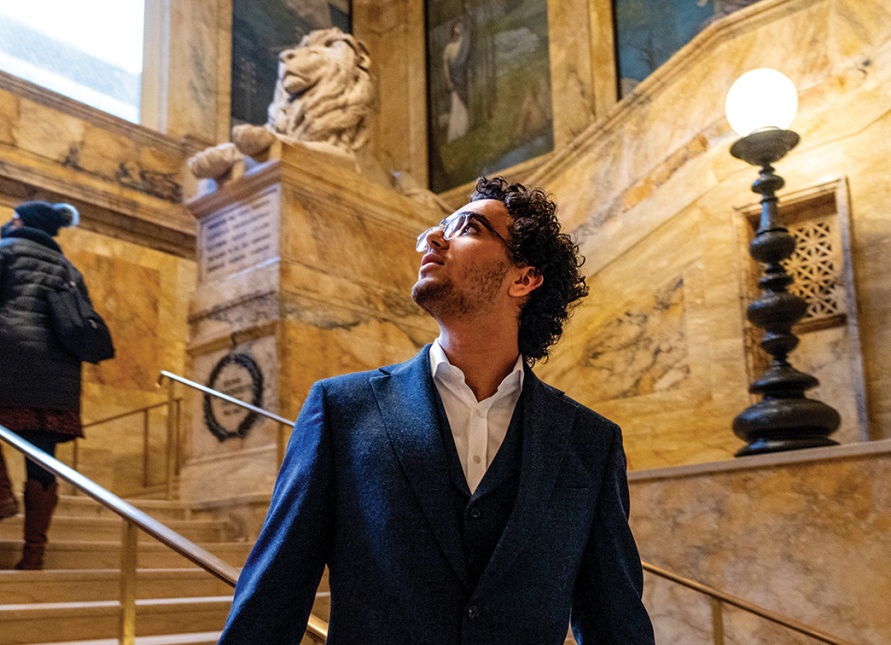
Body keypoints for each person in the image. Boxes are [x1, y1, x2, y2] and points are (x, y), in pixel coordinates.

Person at [218, 176, 655, 643]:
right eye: (436, 225)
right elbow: (272, 598)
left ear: (524, 278)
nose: (433, 237)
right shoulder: (342, 411)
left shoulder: (589, 441)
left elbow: (615, 622)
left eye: (468, 227)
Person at [0, 200, 88, 570]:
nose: (8, 221)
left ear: (24, 222)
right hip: (58, 374)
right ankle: (33, 554)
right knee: (41, 453)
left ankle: (0, 496)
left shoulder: (3, 251)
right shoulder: (69, 268)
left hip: (6, 358)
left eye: (14, 216)